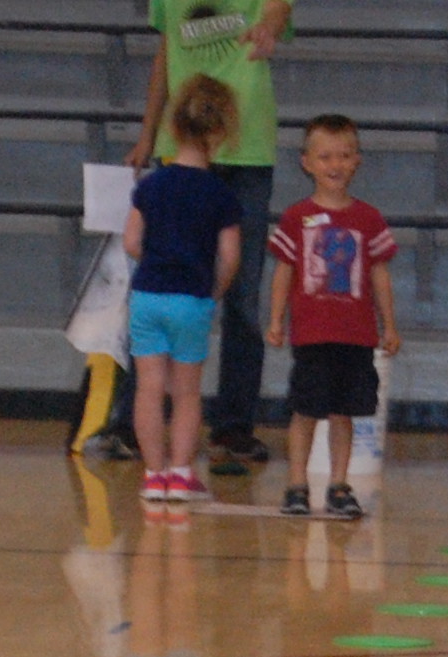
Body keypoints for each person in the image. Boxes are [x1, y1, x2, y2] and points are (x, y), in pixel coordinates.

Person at [130, 0, 294, 475]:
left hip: (244, 147)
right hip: (179, 143)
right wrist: (147, 132)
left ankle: (233, 426)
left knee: (242, 297)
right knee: (159, 278)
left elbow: (279, 7)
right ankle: (139, 426)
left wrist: (268, 28)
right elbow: (166, 52)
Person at [263, 114, 400, 521]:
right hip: (312, 334)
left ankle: (340, 486)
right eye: (325, 157)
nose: (334, 165)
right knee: (305, 410)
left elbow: (379, 274)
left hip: (356, 335)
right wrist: (275, 319)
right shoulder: (296, 217)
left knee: (345, 412)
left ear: (357, 160)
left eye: (343, 156)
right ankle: (296, 484)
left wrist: (389, 326)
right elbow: (284, 270)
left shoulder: (368, 218)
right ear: (306, 162)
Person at [124, 78, 247, 508]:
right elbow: (230, 257)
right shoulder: (221, 194)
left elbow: (130, 243)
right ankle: (180, 474)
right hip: (191, 300)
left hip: (146, 297)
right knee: (187, 393)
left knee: (148, 389)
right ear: (221, 133)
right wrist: (215, 289)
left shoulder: (152, 186)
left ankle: (153, 476)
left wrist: (156, 259)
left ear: (173, 129)